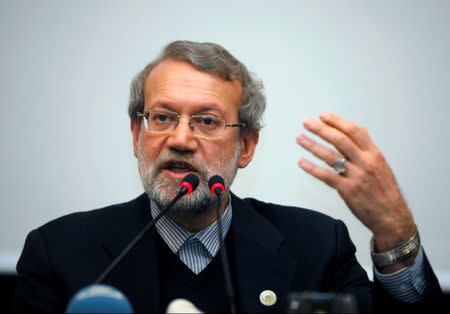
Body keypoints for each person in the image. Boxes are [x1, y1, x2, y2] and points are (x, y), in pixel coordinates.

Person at [14, 40, 444, 313]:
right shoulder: (61, 253)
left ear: (247, 145)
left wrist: (394, 233)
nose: (180, 139)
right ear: (136, 133)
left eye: (206, 121)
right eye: (162, 117)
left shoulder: (316, 248)